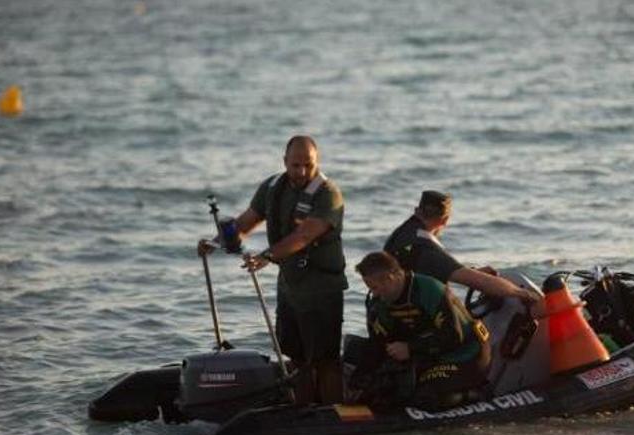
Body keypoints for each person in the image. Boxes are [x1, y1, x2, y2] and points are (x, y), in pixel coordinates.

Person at [197, 135, 346, 405]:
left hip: (321, 288)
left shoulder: (328, 194)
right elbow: (245, 222)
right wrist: (213, 243)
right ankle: (302, 407)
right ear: (284, 162)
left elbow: (304, 235)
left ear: (317, 163)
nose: (301, 171)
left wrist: (267, 256)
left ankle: (333, 410)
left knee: (325, 359)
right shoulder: (272, 187)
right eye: (295, 165)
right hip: (290, 285)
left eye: (308, 165)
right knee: (295, 354)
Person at [353, 251, 491, 411]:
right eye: (370, 288)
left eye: (375, 287)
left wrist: (410, 348)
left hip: (466, 353)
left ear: (391, 277)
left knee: (426, 398)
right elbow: (378, 343)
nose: (374, 293)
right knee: (379, 395)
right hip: (427, 356)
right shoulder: (379, 303)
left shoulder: (429, 290)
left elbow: (453, 335)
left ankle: (474, 394)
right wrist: (360, 381)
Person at [384, 190, 541, 306]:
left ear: (417, 211)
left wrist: (470, 271)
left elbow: (438, 270)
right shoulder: (426, 247)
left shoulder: (401, 234)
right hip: (417, 318)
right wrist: (522, 293)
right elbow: (478, 282)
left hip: (393, 309)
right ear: (444, 220)